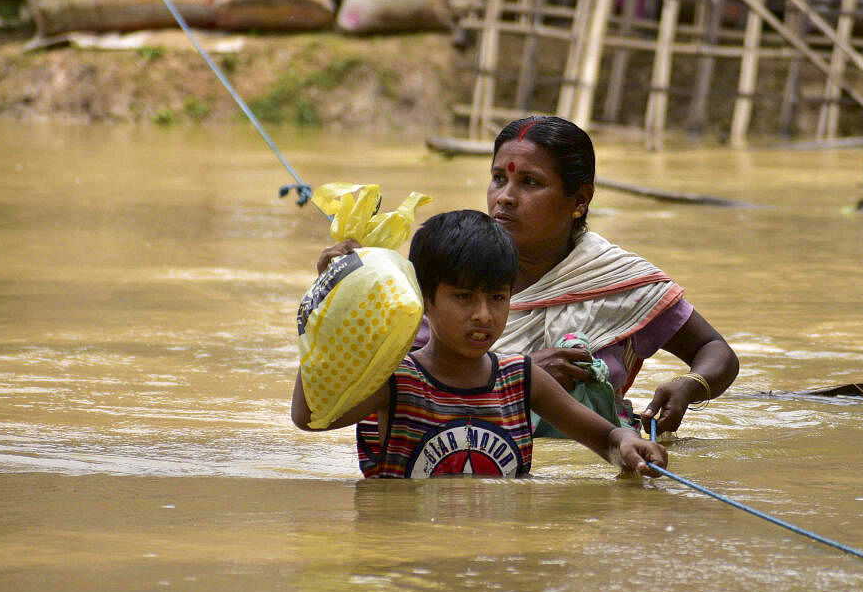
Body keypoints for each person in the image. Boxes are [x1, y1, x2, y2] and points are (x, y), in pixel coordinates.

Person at [318, 115, 738, 436]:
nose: (505, 197)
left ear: (580, 200)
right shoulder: (438, 275)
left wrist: (690, 385)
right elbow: (381, 383)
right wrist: (346, 288)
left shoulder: (622, 281)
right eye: (498, 179)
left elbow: (716, 350)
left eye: (530, 183)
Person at [292, 210, 669, 479]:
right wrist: (328, 309)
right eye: (464, 297)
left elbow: (605, 437)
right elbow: (308, 418)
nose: (484, 315)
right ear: (425, 299)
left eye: (497, 298)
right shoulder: (396, 381)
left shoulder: (522, 379)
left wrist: (627, 444)